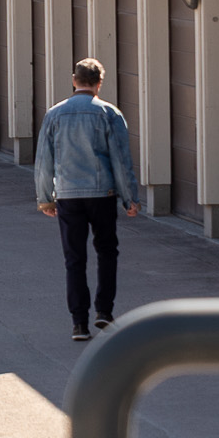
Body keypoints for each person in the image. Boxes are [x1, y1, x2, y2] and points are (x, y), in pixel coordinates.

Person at [34, 58, 140, 342]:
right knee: (107, 251)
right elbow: (121, 160)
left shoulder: (54, 114)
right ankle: (104, 310)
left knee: (74, 258)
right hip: (102, 194)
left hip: (68, 195)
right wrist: (129, 198)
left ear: (74, 80)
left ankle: (79, 323)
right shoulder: (109, 113)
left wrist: (45, 199)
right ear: (99, 83)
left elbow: (43, 161)